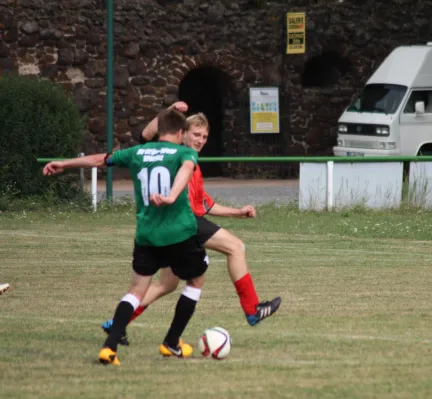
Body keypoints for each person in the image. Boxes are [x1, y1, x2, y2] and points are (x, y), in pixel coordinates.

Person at [102, 102, 281, 346]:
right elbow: (143, 136)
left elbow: (204, 204)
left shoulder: (191, 162)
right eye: (196, 134)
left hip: (177, 226)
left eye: (205, 136)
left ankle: (116, 324)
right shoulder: (174, 156)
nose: (201, 140)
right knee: (235, 247)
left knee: (167, 284)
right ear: (182, 133)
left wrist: (237, 212)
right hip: (184, 223)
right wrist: (169, 110)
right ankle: (252, 310)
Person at [44, 108, 208, 366]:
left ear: (159, 130)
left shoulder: (137, 152)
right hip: (179, 233)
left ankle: (109, 348)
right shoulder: (184, 152)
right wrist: (172, 196)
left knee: (136, 291)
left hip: (146, 234)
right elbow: (186, 170)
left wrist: (65, 164)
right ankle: (171, 342)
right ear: (180, 132)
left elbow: (101, 160)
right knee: (196, 280)